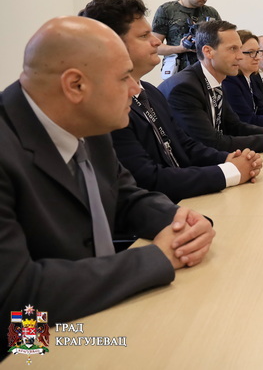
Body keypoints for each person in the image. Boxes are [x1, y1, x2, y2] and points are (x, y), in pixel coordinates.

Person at [0, 16, 215, 330]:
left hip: (91, 313)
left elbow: (124, 196)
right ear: (76, 85)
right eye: (125, 77)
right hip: (28, 341)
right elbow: (17, 294)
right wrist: (158, 257)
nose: (135, 88)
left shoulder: (86, 121)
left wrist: (181, 223)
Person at [80, 0, 262, 203]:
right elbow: (148, 180)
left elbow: (184, 145)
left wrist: (228, 158)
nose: (156, 42)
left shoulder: (150, 91)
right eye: (144, 36)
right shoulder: (107, 108)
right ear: (112, 44)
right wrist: (229, 171)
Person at [158, 20, 263, 153]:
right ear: (208, 52)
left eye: (240, 49)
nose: (240, 56)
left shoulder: (215, 80)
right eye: (233, 49)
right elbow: (211, 142)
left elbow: (235, 126)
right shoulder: (185, 88)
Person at [152, 0, 221, 74]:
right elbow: (154, 47)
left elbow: (221, 42)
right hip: (178, 74)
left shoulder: (211, 13)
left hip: (207, 72)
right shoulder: (167, 10)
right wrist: (180, 49)